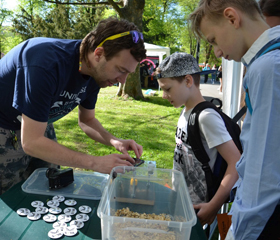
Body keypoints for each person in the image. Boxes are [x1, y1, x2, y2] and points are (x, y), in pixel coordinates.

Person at [0, 17, 146, 195]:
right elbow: (31, 142)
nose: (122, 81)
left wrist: (115, 141)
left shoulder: (96, 72)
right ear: (98, 53)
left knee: (52, 187)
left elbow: (87, 120)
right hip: (5, 126)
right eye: (121, 70)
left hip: (38, 124)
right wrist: (95, 162)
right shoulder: (44, 62)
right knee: (11, 197)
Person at [189, 1, 280, 239]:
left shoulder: (268, 68)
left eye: (213, 40)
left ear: (231, 18)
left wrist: (237, 233)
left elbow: (263, 174)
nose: (217, 52)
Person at [155, 52, 241, 226]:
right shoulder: (186, 111)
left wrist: (213, 206)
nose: (164, 95)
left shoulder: (206, 117)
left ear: (188, 81)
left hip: (200, 208)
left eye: (168, 89)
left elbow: (236, 163)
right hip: (182, 201)